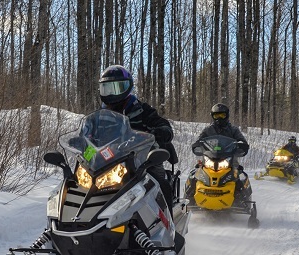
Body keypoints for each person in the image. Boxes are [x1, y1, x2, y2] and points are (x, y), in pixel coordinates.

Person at [99, 65, 176, 207]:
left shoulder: (141, 110)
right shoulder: (100, 116)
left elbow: (160, 122)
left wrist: (163, 130)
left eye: (117, 87)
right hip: (107, 161)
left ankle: (169, 226)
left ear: (127, 87)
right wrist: (82, 144)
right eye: (107, 88)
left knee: (160, 184)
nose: (111, 93)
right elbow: (89, 135)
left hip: (142, 160)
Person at [186, 103, 250, 202]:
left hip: (229, 161)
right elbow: (199, 140)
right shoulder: (208, 130)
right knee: (194, 175)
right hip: (209, 160)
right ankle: (188, 199)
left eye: (222, 115)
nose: (219, 118)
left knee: (240, 176)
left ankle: (244, 202)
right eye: (216, 115)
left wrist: (241, 145)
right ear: (212, 116)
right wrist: (197, 145)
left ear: (227, 115)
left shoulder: (233, 130)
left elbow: (242, 140)